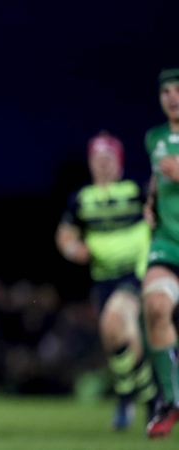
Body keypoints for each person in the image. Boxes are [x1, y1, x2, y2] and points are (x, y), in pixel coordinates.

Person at [55, 130, 159, 431]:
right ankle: (140, 393)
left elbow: (158, 212)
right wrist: (74, 249)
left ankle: (137, 395)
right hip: (103, 277)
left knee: (115, 318)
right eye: (96, 159)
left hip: (136, 272)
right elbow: (65, 234)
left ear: (119, 162)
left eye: (108, 158)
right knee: (116, 335)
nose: (102, 164)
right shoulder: (81, 198)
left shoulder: (135, 189)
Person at [141, 67, 179, 439]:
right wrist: (150, 202)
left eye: (178, 89)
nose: (172, 96)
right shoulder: (155, 138)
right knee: (154, 306)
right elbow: (157, 176)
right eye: (166, 90)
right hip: (168, 243)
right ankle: (170, 401)